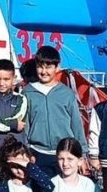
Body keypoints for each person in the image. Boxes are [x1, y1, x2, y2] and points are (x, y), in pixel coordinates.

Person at [23, 47, 87, 179]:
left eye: (49, 67)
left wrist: (83, 153)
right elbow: (25, 124)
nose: (44, 71)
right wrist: (26, 151)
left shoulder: (66, 93)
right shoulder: (27, 92)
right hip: (37, 153)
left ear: (57, 68)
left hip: (65, 154)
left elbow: (76, 124)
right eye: (40, 67)